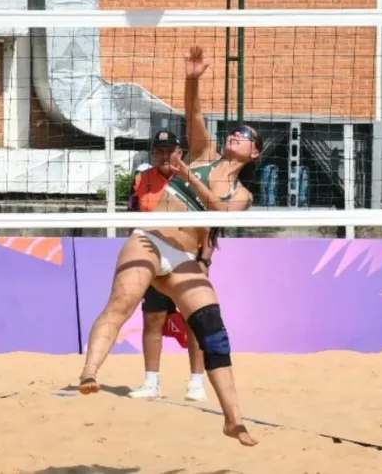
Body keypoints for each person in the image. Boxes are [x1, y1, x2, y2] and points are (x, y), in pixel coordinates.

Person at [78, 46, 262, 446]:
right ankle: (90, 372)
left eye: (246, 137)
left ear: (255, 153)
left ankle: (234, 420)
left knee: (213, 330)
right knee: (122, 304)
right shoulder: (203, 153)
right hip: (151, 239)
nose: (238, 135)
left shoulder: (242, 192)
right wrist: (193, 78)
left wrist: (190, 180)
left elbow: (220, 213)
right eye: (236, 131)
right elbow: (193, 113)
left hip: (185, 258)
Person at [127, 132, 209, 402]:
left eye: (170, 150)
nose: (165, 155)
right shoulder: (141, 180)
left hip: (187, 259)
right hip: (154, 260)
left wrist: (205, 259)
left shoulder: (193, 181)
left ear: (180, 153)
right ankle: (152, 383)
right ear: (152, 154)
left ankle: (196, 383)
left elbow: (210, 226)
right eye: (159, 150)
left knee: (194, 322)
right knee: (152, 320)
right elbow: (134, 222)